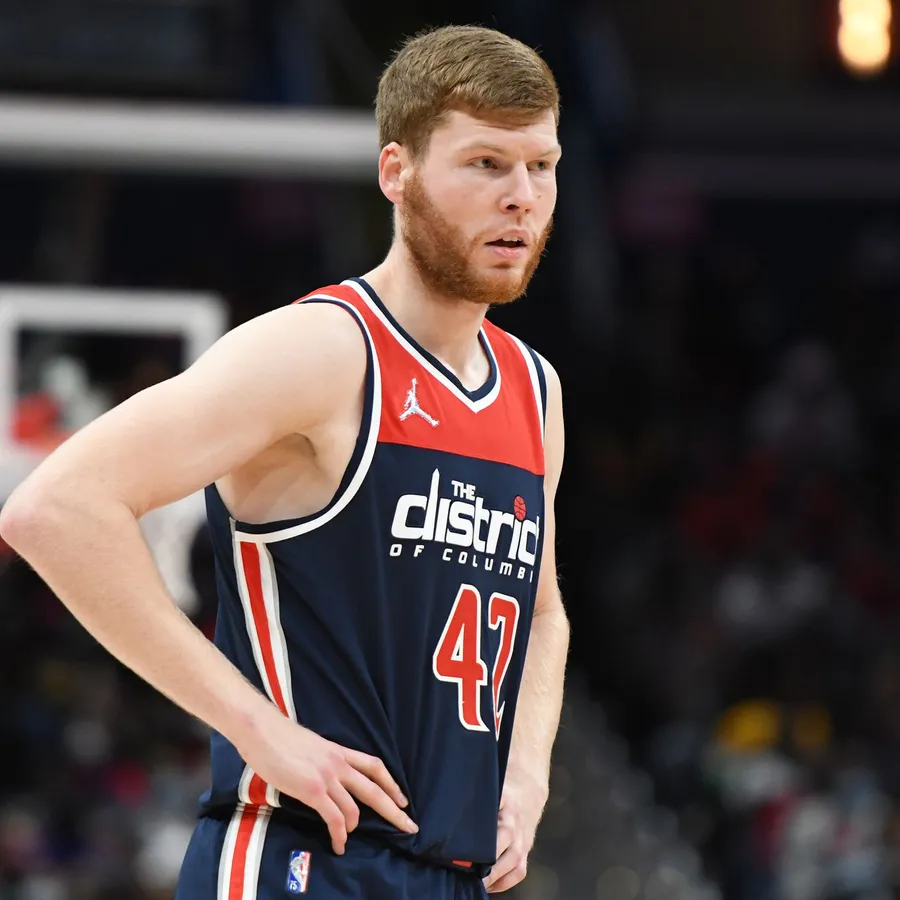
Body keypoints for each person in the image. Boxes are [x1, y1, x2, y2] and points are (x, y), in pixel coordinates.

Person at [0, 24, 569, 900]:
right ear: (398, 172)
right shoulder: (323, 350)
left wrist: (525, 777)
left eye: (541, 166)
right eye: (486, 164)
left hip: (448, 875)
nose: (520, 197)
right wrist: (257, 729)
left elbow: (542, 612)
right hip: (297, 860)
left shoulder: (533, 390)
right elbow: (55, 508)